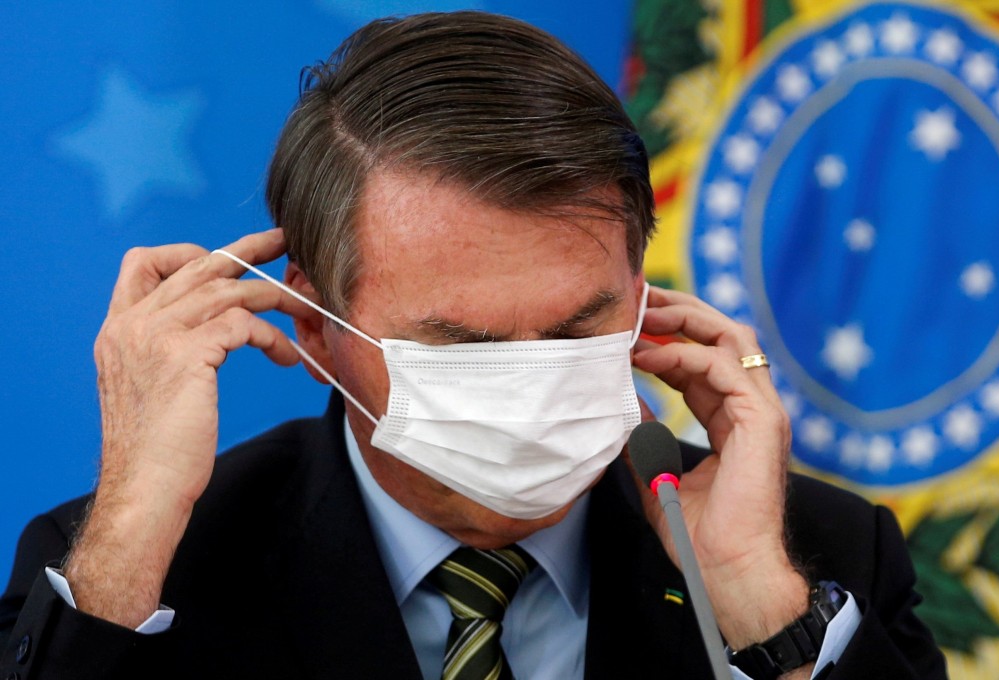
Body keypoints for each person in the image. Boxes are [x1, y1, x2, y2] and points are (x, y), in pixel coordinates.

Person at [0, 10, 945, 680]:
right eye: (458, 344)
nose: (533, 388)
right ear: (315, 321)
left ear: (648, 301)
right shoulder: (131, 570)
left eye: (578, 327)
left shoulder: (823, 555)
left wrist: (755, 605)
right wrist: (128, 533)